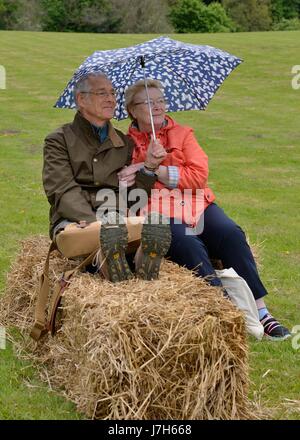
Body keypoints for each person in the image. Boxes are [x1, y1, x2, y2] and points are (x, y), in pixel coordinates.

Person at [117, 79, 291, 340]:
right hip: (157, 209)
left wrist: (154, 169)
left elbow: (198, 176)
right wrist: (145, 165)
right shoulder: (124, 144)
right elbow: (130, 190)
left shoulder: (183, 134)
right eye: (149, 102)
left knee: (230, 232)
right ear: (132, 110)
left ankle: (261, 311)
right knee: (188, 242)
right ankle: (226, 310)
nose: (158, 107)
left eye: (161, 100)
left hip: (197, 202)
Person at [42, 73, 171, 282]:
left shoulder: (124, 142)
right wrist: (96, 223)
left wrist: (149, 168)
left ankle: (132, 260)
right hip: (74, 219)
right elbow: (62, 189)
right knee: (95, 236)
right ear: (81, 100)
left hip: (116, 218)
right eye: (102, 93)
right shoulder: (59, 140)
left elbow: (132, 197)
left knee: (141, 227)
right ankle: (116, 258)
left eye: (113, 93)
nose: (111, 99)